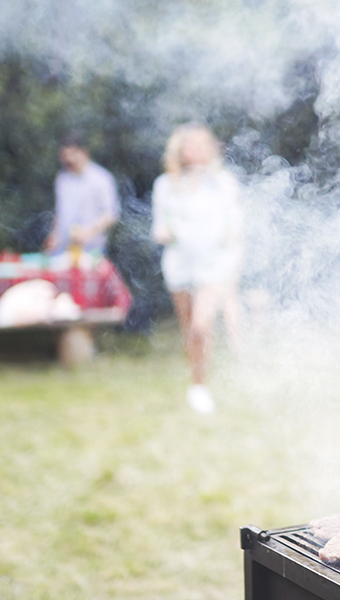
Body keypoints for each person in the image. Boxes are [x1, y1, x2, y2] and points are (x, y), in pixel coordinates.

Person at [151, 124, 244, 414]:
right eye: (194, 145)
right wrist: (165, 232)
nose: (201, 150)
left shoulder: (224, 182)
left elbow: (236, 223)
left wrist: (231, 239)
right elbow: (159, 227)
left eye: (206, 144)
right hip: (180, 265)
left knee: (201, 326)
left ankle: (200, 387)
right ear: (181, 150)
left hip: (213, 264)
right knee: (189, 329)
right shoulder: (165, 185)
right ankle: (197, 377)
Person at [46, 136, 120, 258]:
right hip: (64, 251)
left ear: (84, 152)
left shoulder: (102, 178)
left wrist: (88, 231)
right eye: (65, 156)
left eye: (72, 155)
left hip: (92, 252)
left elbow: (111, 214)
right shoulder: (62, 179)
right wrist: (54, 235)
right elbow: (59, 213)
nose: (69, 160)